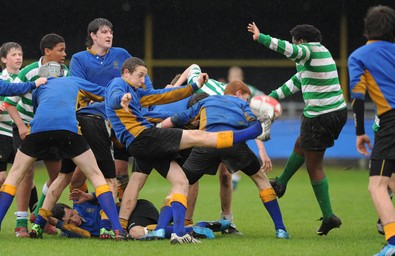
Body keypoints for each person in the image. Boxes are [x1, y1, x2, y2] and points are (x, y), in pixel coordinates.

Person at [107, 57, 269, 244]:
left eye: (144, 76)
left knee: (181, 181)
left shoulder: (136, 93)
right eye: (140, 75)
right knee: (200, 137)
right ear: (126, 73)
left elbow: (164, 95)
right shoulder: (118, 84)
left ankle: (175, 233)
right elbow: (113, 96)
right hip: (145, 137)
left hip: (143, 144)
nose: (143, 80)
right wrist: (122, 98)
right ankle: (254, 131)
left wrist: (193, 86)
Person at [0, 61, 127, 240]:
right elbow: (104, 93)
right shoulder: (73, 81)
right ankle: (116, 229)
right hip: (68, 131)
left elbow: (41, 112)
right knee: (97, 176)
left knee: (14, 176)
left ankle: (30, 223)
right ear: (62, 73)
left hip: (38, 131)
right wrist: (121, 94)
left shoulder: (39, 88)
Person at [248, 22, 347, 236]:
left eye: (295, 42)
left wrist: (261, 37)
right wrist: (270, 98)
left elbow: (289, 49)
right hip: (337, 112)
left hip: (320, 115)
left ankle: (329, 216)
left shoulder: (308, 51)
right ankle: (281, 183)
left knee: (314, 167)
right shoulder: (321, 53)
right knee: (301, 143)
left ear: (301, 41)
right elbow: (294, 84)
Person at [159, 80, 288, 239]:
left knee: (179, 185)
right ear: (239, 93)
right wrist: (266, 121)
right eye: (246, 98)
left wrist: (156, 130)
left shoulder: (206, 100)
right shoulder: (241, 104)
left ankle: (160, 228)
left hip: (206, 144)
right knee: (262, 180)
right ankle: (281, 230)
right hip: (234, 144)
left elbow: (178, 118)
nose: (246, 102)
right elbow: (255, 126)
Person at [69, 18, 153, 194]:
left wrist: (150, 96)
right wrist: (105, 95)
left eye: (111, 32)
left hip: (120, 116)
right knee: (77, 176)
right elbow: (78, 85)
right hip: (93, 119)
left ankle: (121, 213)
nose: (109, 35)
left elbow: (140, 74)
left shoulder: (121, 54)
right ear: (93, 35)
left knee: (121, 171)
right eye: (104, 32)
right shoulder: (79, 58)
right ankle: (81, 212)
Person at [3, 34, 68, 237]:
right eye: (60, 50)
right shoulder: (29, 72)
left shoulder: (65, 72)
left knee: (56, 176)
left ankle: (40, 215)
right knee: (25, 173)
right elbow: (10, 103)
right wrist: (21, 126)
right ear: (47, 51)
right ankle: (21, 221)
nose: (65, 54)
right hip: (27, 126)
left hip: (50, 127)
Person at [347, 5, 395, 255]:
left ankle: (394, 241)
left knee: (377, 185)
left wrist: (360, 131)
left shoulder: (359, 56)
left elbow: (358, 97)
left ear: (367, 28)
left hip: (392, 122)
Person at [51, 189, 227, 240]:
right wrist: (56, 224)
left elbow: (108, 195)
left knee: (135, 233)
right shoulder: (70, 231)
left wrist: (89, 196)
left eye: (71, 214)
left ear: (71, 208)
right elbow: (86, 235)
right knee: (149, 231)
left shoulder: (82, 203)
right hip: (134, 221)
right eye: (69, 221)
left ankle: (191, 229)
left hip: (137, 209)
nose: (74, 220)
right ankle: (203, 227)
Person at [0, 42, 23, 188]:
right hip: (2, 131)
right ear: (4, 59)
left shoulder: (26, 78)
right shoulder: (1, 80)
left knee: (26, 175)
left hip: (20, 132)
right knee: (1, 177)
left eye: (20, 54)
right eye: (13, 54)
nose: (18, 57)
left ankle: (32, 211)